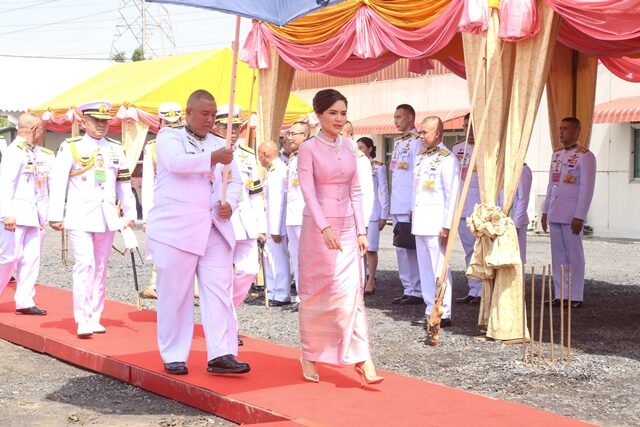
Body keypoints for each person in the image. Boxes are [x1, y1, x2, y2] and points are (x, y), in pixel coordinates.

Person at [145, 89, 249, 376]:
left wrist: (229, 203)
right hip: (177, 229)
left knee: (219, 292)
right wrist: (213, 157)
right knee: (175, 295)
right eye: (204, 114)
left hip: (215, 227)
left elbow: (235, 181)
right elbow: (176, 164)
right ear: (188, 112)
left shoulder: (219, 143)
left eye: (214, 115)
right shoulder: (169, 136)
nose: (210, 120)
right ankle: (174, 354)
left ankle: (222, 353)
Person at [297, 88, 383, 386]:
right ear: (318, 115)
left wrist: (361, 230)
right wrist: (324, 227)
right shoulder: (308, 148)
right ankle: (310, 354)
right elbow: (308, 191)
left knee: (350, 293)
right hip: (318, 229)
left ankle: (362, 357)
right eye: (332, 113)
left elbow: (356, 190)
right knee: (317, 293)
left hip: (347, 229)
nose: (338, 118)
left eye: (343, 113)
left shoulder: (349, 147)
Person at [48, 101, 137, 337]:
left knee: (101, 266)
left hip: (106, 216)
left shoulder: (115, 149)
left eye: (105, 121)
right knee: (84, 264)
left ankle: (95, 316)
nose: (101, 125)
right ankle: (83, 318)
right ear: (83, 121)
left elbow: (123, 183)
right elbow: (58, 182)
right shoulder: (71, 147)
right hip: (80, 215)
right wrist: (55, 214)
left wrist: (130, 213)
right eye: (96, 120)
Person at [216, 105, 267, 340]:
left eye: (236, 127)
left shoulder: (247, 155)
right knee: (223, 277)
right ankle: (229, 325)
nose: (233, 131)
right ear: (217, 128)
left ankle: (227, 311)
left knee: (249, 270)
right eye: (227, 127)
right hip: (220, 222)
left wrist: (261, 226)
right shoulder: (210, 152)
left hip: (245, 223)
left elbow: (255, 194)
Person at [0, 113, 53, 315]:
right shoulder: (14, 151)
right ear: (34, 130)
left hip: (33, 215)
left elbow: (42, 187)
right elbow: (5, 184)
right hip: (14, 215)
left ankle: (24, 301)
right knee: (8, 258)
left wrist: (44, 215)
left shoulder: (38, 152)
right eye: (42, 129)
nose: (43, 133)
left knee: (31, 259)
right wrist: (6, 214)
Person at [542, 117, 596, 308]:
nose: (561, 132)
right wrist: (545, 211)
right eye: (560, 128)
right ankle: (560, 294)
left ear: (576, 132)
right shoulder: (557, 155)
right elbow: (552, 185)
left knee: (574, 256)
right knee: (558, 256)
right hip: (556, 212)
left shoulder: (585, 156)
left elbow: (586, 189)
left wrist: (580, 215)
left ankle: (575, 296)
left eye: (565, 129)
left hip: (572, 215)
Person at [411, 116, 459, 328]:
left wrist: (447, 225)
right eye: (420, 132)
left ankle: (444, 311)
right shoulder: (421, 157)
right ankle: (430, 307)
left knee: (439, 268)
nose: (421, 136)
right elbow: (416, 189)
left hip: (437, 223)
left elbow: (452, 195)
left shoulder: (447, 159)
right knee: (425, 269)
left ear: (437, 134)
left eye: (425, 133)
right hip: (421, 221)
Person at [141, 102, 184, 299]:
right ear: (160, 123)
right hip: (163, 204)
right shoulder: (152, 148)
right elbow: (148, 183)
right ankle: (155, 283)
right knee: (161, 244)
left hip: (185, 203)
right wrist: (147, 216)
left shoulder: (189, 144)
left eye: (176, 123)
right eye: (168, 123)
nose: (172, 127)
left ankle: (189, 285)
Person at [389, 104, 422, 305]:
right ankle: (408, 287)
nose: (396, 121)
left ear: (410, 117)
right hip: (397, 202)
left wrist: (414, 205)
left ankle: (417, 289)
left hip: (408, 203)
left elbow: (417, 175)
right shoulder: (399, 142)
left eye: (399, 117)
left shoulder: (417, 142)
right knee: (401, 248)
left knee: (412, 248)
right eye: (395, 117)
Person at [452, 113, 482, 305]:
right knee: (469, 251)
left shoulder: (486, 148)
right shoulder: (457, 148)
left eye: (472, 126)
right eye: (465, 126)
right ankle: (474, 289)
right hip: (462, 208)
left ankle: (484, 290)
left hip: (480, 209)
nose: (468, 130)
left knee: (482, 252)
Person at [257, 140, 291, 304]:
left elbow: (277, 202)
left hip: (274, 225)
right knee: (269, 259)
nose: (259, 159)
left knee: (278, 259)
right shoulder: (274, 169)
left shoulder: (278, 170)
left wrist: (275, 229)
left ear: (264, 155)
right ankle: (272, 291)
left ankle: (282, 292)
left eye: (259, 155)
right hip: (269, 223)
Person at [356, 137, 389, 295]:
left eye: (362, 147)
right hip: (358, 210)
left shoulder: (377, 167)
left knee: (371, 249)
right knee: (359, 249)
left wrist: (384, 214)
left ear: (370, 149)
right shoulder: (354, 164)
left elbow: (384, 191)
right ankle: (360, 280)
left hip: (374, 211)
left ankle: (371, 280)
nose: (359, 150)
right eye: (357, 147)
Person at [284, 121, 310, 307]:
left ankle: (309, 295)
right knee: (296, 256)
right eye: (289, 133)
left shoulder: (311, 155)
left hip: (304, 214)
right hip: (292, 214)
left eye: (294, 134)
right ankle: (301, 295)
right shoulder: (293, 158)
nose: (290, 137)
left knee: (307, 257)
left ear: (305, 136)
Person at [513, 163, 532, 264]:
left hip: (516, 220)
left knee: (516, 258)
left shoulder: (522, 169)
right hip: (502, 220)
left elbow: (523, 198)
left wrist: (517, 224)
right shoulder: (504, 168)